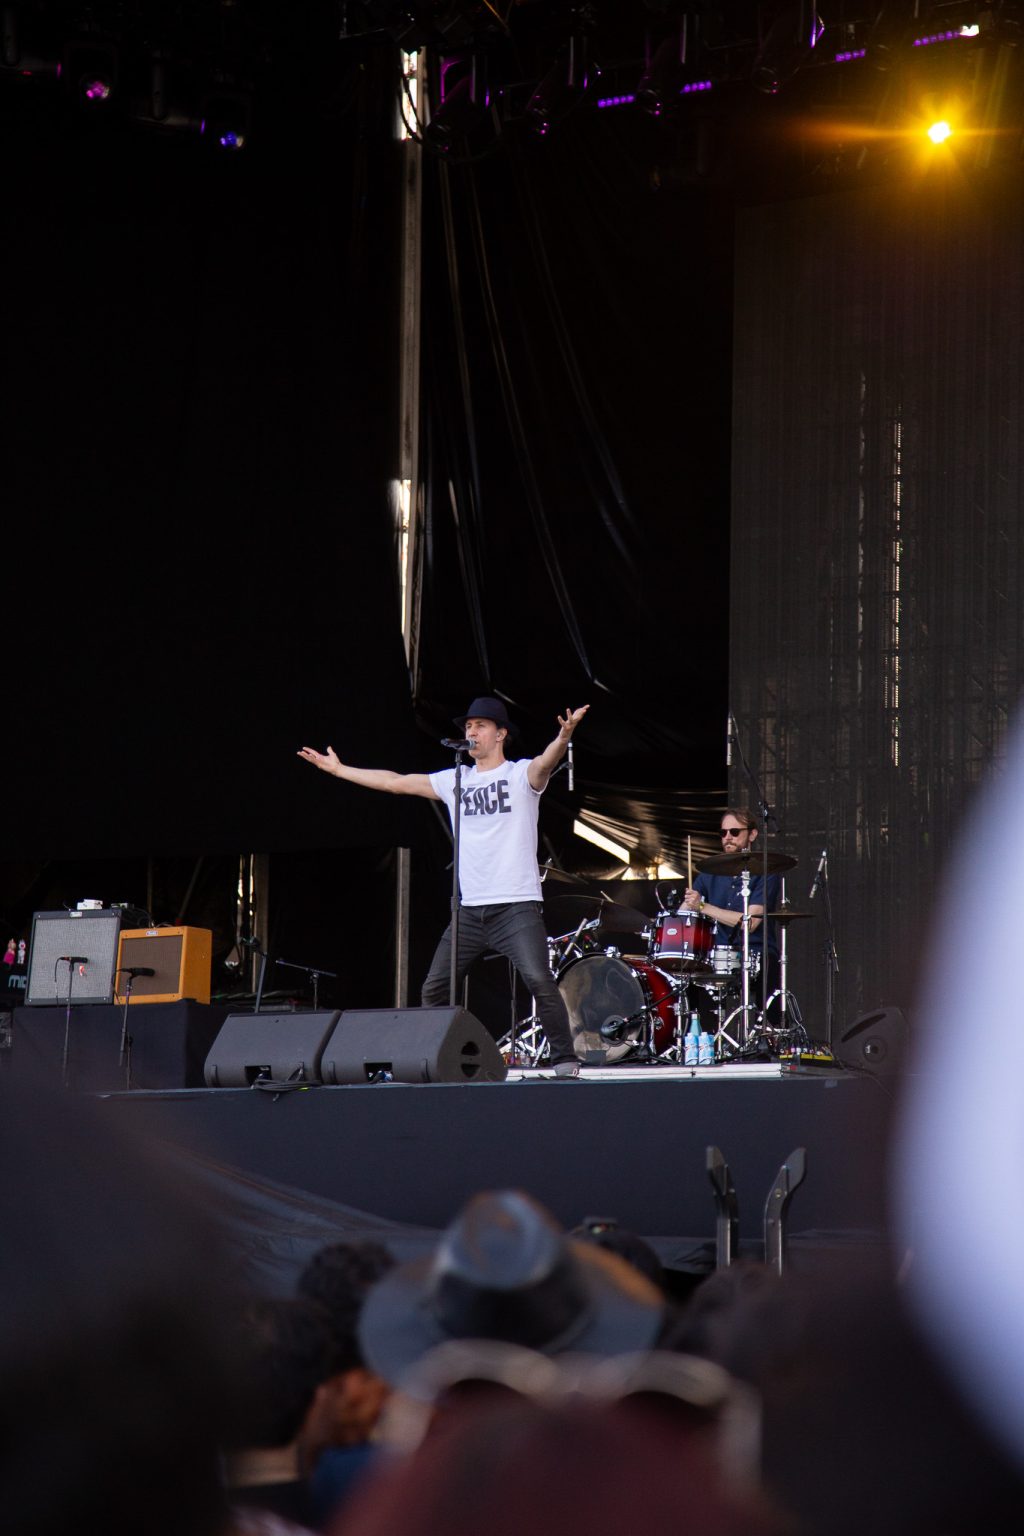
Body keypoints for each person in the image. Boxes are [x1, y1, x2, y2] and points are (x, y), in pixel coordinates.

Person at [299, 696, 588, 1076]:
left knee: (538, 978)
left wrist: (563, 737)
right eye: (468, 726)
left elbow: (544, 763)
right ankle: (436, 1061)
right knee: (433, 989)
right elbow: (395, 782)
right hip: (468, 911)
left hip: (515, 906)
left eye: (480, 725)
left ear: (500, 734)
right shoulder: (456, 780)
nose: (471, 731)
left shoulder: (519, 776)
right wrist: (340, 771)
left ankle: (565, 1059)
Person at [683, 808, 781, 1045]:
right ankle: (695, 1041)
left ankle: (766, 1040)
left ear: (752, 834)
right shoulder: (709, 873)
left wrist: (703, 906)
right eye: (723, 832)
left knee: (769, 969)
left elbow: (751, 922)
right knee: (684, 970)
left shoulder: (765, 871)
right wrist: (684, 910)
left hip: (756, 952)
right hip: (716, 953)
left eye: (735, 832)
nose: (727, 837)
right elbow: (685, 912)